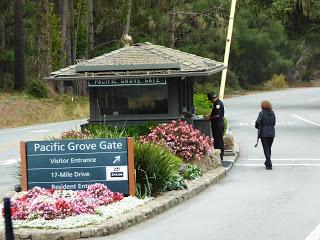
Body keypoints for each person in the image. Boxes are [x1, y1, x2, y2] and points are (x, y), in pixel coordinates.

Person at [255, 100, 276, 170]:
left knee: (266, 148)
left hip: (264, 133)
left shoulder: (262, 113)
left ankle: (269, 163)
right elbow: (274, 123)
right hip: (272, 133)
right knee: (269, 148)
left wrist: (258, 127)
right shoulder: (273, 113)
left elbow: (257, 122)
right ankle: (267, 162)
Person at [204, 92, 225, 161]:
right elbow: (215, 113)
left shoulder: (218, 104)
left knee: (218, 140)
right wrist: (209, 115)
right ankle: (219, 154)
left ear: (213, 98)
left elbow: (217, 115)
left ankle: (220, 155)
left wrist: (209, 117)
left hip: (218, 124)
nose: (210, 101)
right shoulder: (216, 103)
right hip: (217, 124)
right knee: (216, 140)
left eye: (210, 100)